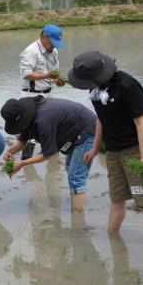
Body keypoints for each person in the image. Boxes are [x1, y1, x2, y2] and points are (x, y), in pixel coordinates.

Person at [68, 51, 143, 232]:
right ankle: (113, 239)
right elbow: (101, 119)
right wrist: (95, 148)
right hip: (112, 152)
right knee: (116, 198)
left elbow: (140, 122)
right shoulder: (96, 89)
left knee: (141, 198)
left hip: (134, 152)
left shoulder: (127, 86)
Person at [0, 96, 97, 212]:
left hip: (87, 131)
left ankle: (77, 218)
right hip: (75, 132)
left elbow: (48, 154)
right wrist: (9, 151)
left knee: (76, 175)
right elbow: (22, 141)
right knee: (70, 168)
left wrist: (22, 163)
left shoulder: (42, 121)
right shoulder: (27, 115)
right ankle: (76, 201)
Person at [20, 24, 65, 98]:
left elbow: (53, 74)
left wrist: (57, 81)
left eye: (56, 43)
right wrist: (48, 75)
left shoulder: (54, 51)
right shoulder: (31, 51)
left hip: (49, 94)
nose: (54, 46)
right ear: (43, 36)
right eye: (52, 42)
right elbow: (25, 74)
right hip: (32, 95)